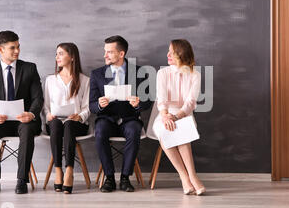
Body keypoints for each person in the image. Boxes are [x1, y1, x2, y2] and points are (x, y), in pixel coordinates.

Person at [0, 30, 44, 194]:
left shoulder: (29, 68)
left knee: (28, 128)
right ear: (1, 49)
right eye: (12, 48)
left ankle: (22, 180)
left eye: (18, 47)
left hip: (25, 121)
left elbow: (38, 98)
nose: (17, 51)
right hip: (2, 122)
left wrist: (31, 114)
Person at [90, 35, 152, 192]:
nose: (105, 55)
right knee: (100, 131)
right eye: (105, 51)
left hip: (129, 118)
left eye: (109, 52)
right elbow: (92, 106)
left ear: (121, 54)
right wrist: (99, 104)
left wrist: (139, 103)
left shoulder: (139, 72)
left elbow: (147, 102)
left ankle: (125, 178)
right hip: (107, 119)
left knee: (134, 130)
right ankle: (109, 178)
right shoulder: (97, 74)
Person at [152, 39, 206, 195]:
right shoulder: (162, 73)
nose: (168, 55)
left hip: (184, 114)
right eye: (168, 51)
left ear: (181, 54)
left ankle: (192, 176)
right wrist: (166, 116)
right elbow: (161, 100)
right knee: (165, 130)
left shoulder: (195, 75)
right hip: (164, 114)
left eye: (172, 52)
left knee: (181, 130)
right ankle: (185, 177)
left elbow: (190, 103)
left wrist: (176, 117)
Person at [43, 43, 90, 194]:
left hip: (76, 123)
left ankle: (69, 170)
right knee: (56, 124)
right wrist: (48, 114)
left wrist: (79, 116)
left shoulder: (85, 80)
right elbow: (45, 105)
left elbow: (87, 107)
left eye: (61, 53)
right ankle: (58, 170)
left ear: (72, 57)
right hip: (55, 121)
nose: (57, 57)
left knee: (69, 124)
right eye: (56, 54)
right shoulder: (50, 80)